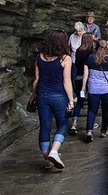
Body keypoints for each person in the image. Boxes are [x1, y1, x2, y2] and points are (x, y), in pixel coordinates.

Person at [28, 29, 74, 169]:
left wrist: (33, 96)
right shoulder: (65, 59)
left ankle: (47, 158)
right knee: (63, 124)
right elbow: (67, 81)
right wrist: (71, 100)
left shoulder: (40, 57)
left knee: (45, 127)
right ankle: (54, 152)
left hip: (42, 95)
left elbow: (36, 80)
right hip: (59, 96)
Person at [82, 39, 108, 142]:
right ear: (107, 48)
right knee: (106, 110)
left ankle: (89, 130)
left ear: (96, 46)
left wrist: (83, 87)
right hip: (106, 89)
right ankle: (103, 131)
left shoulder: (90, 58)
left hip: (93, 89)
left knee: (92, 110)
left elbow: (85, 75)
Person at [70, 32, 95, 134]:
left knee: (80, 102)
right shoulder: (90, 52)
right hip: (88, 78)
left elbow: (76, 63)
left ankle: (74, 123)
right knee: (91, 103)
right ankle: (89, 126)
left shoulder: (78, 51)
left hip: (78, 77)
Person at [68, 21, 84, 92]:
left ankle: (84, 91)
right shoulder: (72, 36)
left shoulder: (86, 36)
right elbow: (69, 47)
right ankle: (75, 91)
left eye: (80, 31)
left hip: (83, 60)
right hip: (74, 59)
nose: (78, 33)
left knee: (84, 76)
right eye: (77, 31)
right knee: (73, 76)